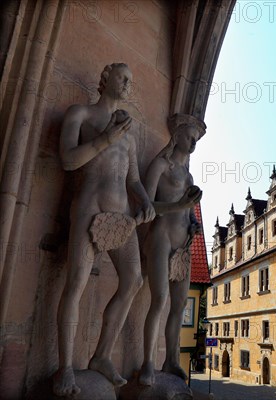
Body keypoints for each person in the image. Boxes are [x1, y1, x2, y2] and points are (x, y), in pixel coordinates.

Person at [53, 63, 155, 397]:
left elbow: (134, 179)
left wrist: (144, 202)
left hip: (121, 215)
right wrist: (105, 139)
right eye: (123, 77)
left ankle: (101, 355)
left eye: (132, 80)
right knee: (76, 285)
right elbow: (68, 160)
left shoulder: (130, 129)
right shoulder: (80, 114)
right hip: (88, 208)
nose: (129, 84)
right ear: (105, 79)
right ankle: (66, 367)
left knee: (134, 281)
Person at [139, 115, 204, 386]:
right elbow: (146, 206)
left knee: (178, 305)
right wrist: (180, 207)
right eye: (190, 137)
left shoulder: (188, 175)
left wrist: (193, 224)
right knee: (159, 301)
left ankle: (172, 360)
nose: (193, 143)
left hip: (182, 245)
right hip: (160, 237)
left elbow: (188, 212)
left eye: (196, 140)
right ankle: (147, 364)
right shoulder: (161, 165)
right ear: (177, 136)